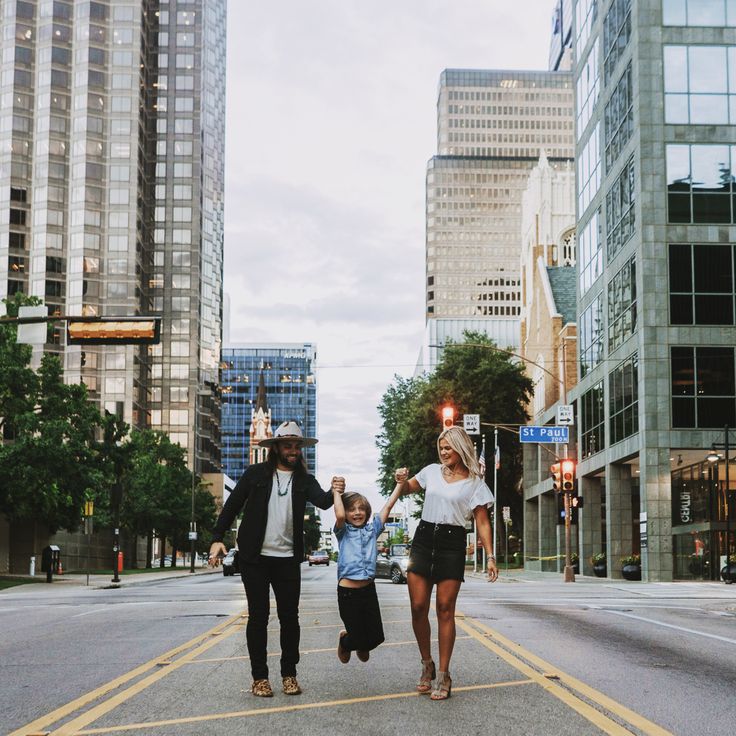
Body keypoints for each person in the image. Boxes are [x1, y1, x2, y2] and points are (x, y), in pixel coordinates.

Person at [209, 420, 345, 698]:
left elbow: (322, 501)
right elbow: (232, 506)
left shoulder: (305, 479)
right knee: (258, 617)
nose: (293, 450)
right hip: (254, 558)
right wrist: (216, 538)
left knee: (289, 618)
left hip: (286, 559)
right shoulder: (255, 474)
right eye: (288, 445)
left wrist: (337, 489)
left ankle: (289, 674)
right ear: (277, 448)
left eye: (297, 446)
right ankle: (260, 677)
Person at [394, 425, 497, 701]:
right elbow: (406, 489)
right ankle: (426, 663)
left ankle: (443, 674)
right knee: (417, 607)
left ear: (460, 448)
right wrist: (400, 479)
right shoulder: (430, 472)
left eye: (448, 447)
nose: (443, 451)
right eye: (441, 447)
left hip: (452, 543)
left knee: (444, 609)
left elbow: (482, 522)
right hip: (424, 539)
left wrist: (489, 556)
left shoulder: (475, 483)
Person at [333, 483, 403, 664]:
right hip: (348, 593)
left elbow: (388, 506)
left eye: (361, 509)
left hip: (368, 591)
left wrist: (400, 484)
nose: (357, 513)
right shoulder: (343, 531)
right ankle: (345, 641)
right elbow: (339, 514)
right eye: (352, 509)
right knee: (357, 638)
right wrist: (336, 492)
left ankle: (360, 643)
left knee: (376, 637)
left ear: (367, 511)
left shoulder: (373, 530)